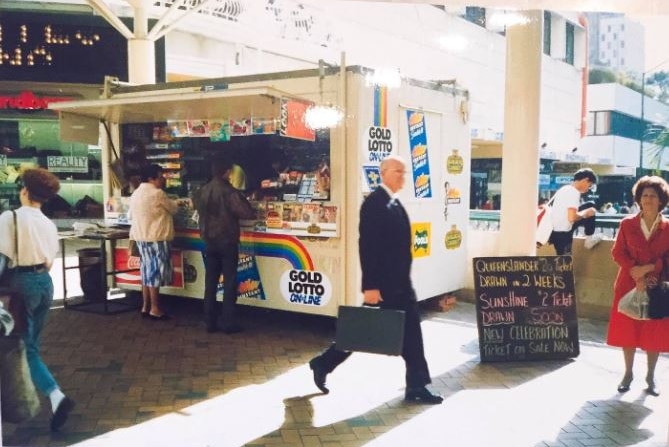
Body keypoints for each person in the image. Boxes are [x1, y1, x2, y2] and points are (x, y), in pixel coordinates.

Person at [308, 155, 442, 404]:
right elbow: (367, 247)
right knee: (363, 330)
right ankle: (324, 363)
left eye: (404, 172)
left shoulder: (394, 202)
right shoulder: (374, 204)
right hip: (385, 285)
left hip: (400, 282)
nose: (403, 176)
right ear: (384, 173)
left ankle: (416, 386)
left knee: (410, 334)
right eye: (398, 172)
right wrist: (370, 286)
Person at [0, 168, 75, 431]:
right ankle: (46, 394)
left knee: (26, 348)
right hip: (45, 284)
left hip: (21, 287)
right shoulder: (47, 223)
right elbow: (49, 261)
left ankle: (56, 396)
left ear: (24, 191)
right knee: (32, 345)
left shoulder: (9, 218)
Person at [607, 176, 669, 396]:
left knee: (654, 332)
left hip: (658, 285)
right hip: (627, 284)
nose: (649, 199)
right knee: (628, 331)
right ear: (639, 199)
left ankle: (651, 377)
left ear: (661, 200)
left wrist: (651, 267)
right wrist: (635, 271)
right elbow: (617, 252)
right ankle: (628, 374)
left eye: (653, 196)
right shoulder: (627, 224)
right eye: (645, 195)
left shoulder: (668, 227)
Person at [193, 156, 256, 334]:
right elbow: (246, 212)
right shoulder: (229, 192)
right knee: (229, 283)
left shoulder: (202, 191)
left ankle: (209, 321)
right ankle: (228, 322)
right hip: (227, 241)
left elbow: (196, 207)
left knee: (210, 283)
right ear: (227, 172)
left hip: (209, 241)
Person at [128, 164, 179, 320]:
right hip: (156, 238)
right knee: (155, 273)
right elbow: (173, 209)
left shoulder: (135, 194)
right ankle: (155, 308)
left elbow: (129, 215)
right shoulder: (157, 194)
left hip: (141, 238)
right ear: (151, 178)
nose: (163, 179)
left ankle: (145, 306)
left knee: (146, 272)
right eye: (160, 176)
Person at [548, 168, 603, 255]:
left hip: (555, 232)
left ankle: (589, 238)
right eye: (590, 185)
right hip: (563, 233)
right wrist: (585, 213)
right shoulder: (573, 192)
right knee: (564, 263)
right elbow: (572, 217)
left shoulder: (564, 189)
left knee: (589, 206)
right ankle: (589, 239)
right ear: (586, 180)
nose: (588, 189)